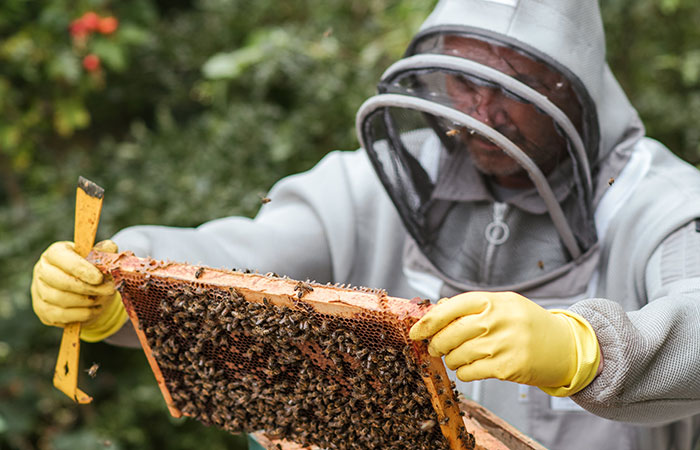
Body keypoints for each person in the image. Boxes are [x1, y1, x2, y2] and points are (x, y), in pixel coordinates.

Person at [30, 0, 700, 449]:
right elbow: (238, 255)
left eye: (517, 83)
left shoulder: (657, 199)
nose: (485, 112)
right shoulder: (378, 181)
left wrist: (583, 348)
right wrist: (122, 285)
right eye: (468, 81)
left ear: (572, 87)